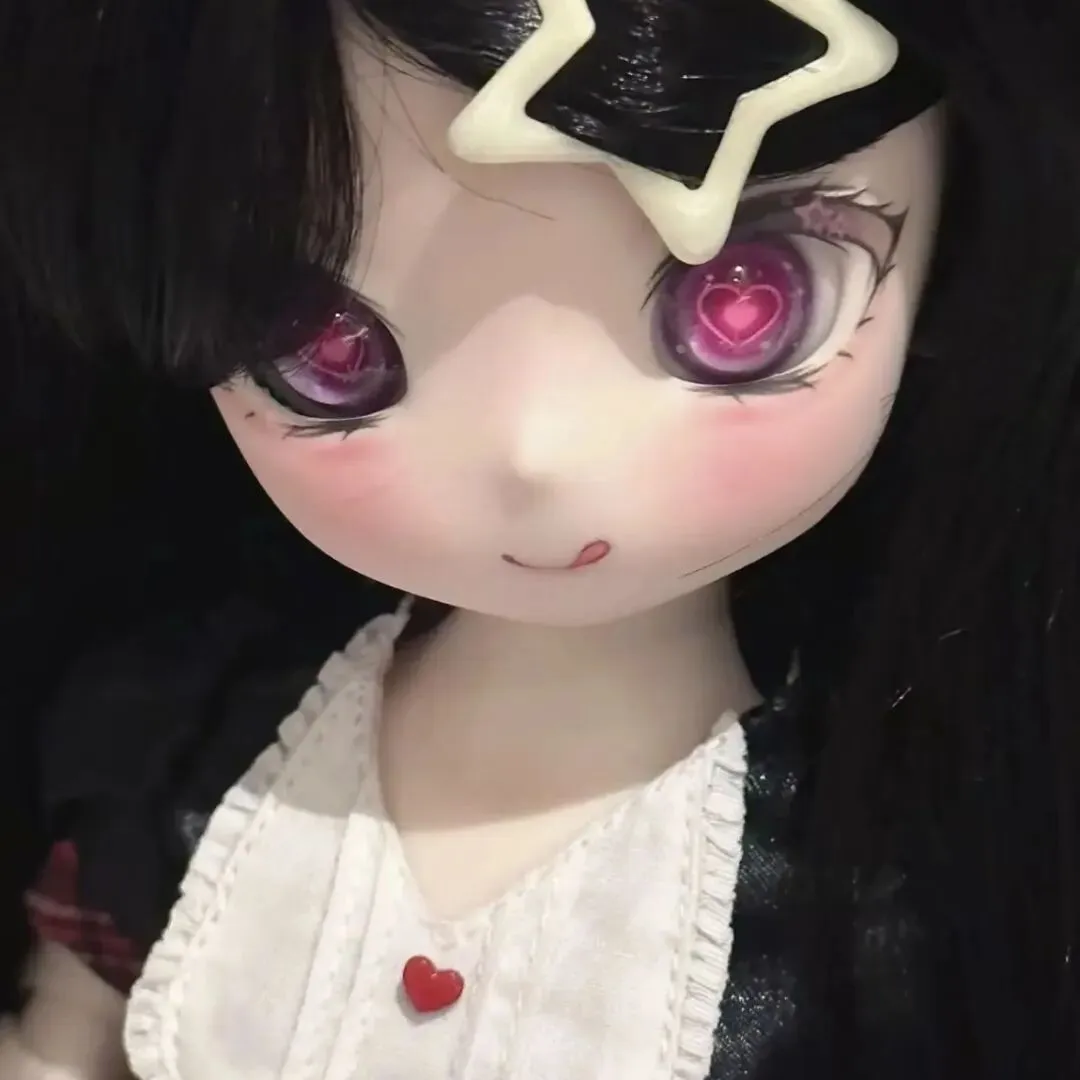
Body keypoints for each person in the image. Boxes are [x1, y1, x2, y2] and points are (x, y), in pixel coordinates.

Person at [0, 0, 1078, 1076]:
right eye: (327, 347)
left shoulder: (882, 899)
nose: (534, 454)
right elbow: (66, 1037)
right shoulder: (182, 746)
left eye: (743, 304)